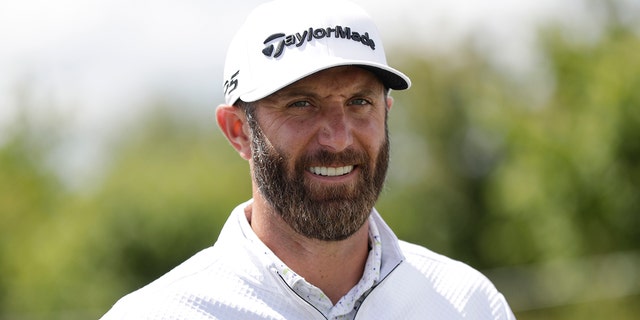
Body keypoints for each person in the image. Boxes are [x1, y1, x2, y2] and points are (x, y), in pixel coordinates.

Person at [101, 0, 515, 319]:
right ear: (238, 131)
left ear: (386, 112)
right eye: (301, 104)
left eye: (359, 102)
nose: (337, 139)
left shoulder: (467, 304)